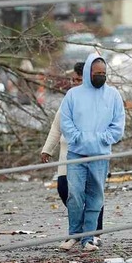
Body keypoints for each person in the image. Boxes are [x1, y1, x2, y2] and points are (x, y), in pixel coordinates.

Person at [58, 54, 125, 252]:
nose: (100, 76)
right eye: (97, 73)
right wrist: (78, 138)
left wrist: (102, 139)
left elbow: (118, 125)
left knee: (96, 197)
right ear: (88, 73)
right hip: (76, 154)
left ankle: (89, 238)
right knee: (75, 195)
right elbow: (65, 122)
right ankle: (74, 235)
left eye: (103, 73)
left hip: (100, 155)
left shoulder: (113, 95)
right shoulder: (73, 95)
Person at [40, 62, 104, 244]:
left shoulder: (98, 98)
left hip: (91, 154)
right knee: (64, 189)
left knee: (93, 193)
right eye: (73, 79)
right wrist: (47, 149)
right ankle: (81, 230)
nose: (75, 83)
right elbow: (56, 125)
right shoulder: (69, 99)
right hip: (67, 154)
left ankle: (94, 234)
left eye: (78, 79)